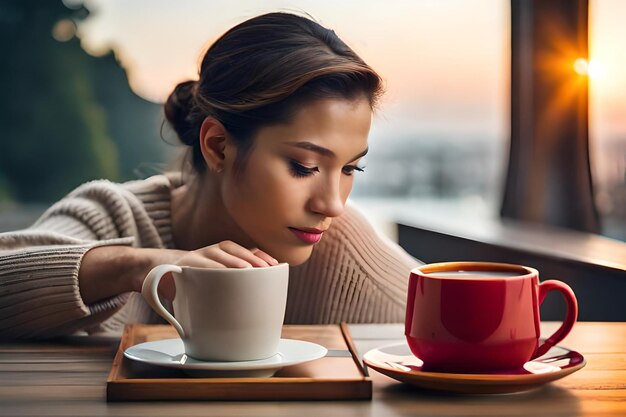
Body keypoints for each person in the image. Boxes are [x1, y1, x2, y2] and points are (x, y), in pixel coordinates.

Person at [0, 12, 420, 339]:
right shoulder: (114, 217)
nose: (332, 204)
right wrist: (134, 268)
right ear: (218, 145)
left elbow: (467, 326)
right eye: (304, 167)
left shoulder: (339, 248)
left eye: (350, 168)